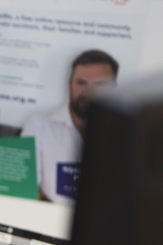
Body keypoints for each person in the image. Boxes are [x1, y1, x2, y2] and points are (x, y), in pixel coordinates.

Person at [20, 49, 118, 204]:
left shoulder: (127, 132)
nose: (89, 92)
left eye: (100, 84)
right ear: (70, 85)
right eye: (81, 83)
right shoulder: (39, 123)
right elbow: (26, 186)